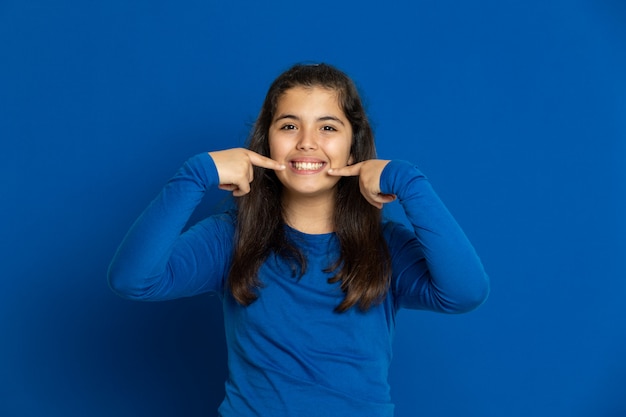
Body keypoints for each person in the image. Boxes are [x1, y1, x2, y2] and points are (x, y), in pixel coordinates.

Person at [108, 63, 489, 417]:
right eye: (289, 126)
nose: (307, 142)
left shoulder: (385, 246)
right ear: (266, 141)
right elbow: (133, 280)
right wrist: (196, 174)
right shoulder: (230, 237)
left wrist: (408, 182)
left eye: (328, 127)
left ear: (353, 145)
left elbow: (464, 292)